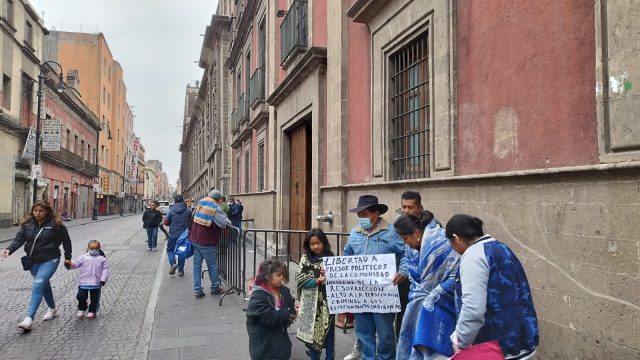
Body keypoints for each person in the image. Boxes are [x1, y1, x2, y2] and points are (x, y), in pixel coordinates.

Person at [446, 214, 539, 358]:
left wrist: (460, 341)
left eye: (451, 244)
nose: (454, 250)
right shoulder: (500, 247)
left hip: (497, 348)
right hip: (521, 341)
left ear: (456, 238)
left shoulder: (474, 256)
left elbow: (473, 309)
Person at [342, 195, 408, 360]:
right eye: (360, 215)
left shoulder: (393, 232)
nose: (362, 219)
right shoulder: (355, 233)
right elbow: (347, 254)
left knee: (385, 334)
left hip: (384, 294)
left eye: (365, 215)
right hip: (361, 294)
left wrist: (403, 271)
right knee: (363, 333)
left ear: (376, 213)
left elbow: (406, 254)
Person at [394, 214, 459, 360]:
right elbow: (414, 279)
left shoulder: (441, 242)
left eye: (406, 239)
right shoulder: (411, 249)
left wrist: (434, 295)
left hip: (445, 304)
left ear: (416, 232)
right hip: (418, 303)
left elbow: (455, 273)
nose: (406, 243)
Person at [0, 200, 72, 331]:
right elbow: (19, 239)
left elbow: (66, 241)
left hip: (51, 259)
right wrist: (9, 250)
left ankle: (29, 318)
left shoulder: (56, 225)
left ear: (47, 212)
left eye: (41, 211)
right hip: (33, 261)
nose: (37, 213)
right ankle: (52, 308)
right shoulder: (27, 224)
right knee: (44, 284)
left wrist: (68, 258)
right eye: (35, 211)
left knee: (38, 284)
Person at [296, 228, 335, 360]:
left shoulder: (330, 257)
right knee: (312, 334)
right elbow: (300, 278)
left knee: (328, 331)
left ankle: (329, 357)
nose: (316, 246)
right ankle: (314, 357)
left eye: (318, 243)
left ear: (324, 242)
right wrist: (315, 281)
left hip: (326, 302)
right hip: (310, 303)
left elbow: (337, 277)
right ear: (308, 244)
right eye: (312, 244)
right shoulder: (305, 258)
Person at [246, 260, 297, 360]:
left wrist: (290, 315)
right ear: (267, 277)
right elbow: (268, 318)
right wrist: (286, 314)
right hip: (264, 346)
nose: (282, 277)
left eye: (283, 274)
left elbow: (291, 308)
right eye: (278, 275)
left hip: (281, 345)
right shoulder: (258, 296)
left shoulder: (284, 291)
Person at [190, 189, 231, 298]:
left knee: (197, 266)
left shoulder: (200, 203)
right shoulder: (214, 207)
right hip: (206, 241)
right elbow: (223, 223)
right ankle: (215, 288)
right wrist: (229, 222)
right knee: (212, 265)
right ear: (217, 200)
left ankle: (198, 291)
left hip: (195, 238)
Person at [69, 240, 109, 319]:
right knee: (80, 296)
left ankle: (92, 311)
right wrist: (70, 264)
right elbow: (76, 264)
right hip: (84, 282)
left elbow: (105, 269)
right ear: (88, 248)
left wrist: (103, 279)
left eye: (96, 248)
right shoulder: (83, 257)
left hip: (96, 283)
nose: (93, 250)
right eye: (91, 248)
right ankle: (82, 308)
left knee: (95, 299)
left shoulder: (102, 259)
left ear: (99, 248)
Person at [164, 194, 192, 276]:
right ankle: (181, 270)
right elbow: (190, 221)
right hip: (184, 234)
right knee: (181, 251)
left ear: (175, 200)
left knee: (170, 250)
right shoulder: (188, 210)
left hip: (173, 234)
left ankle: (173, 263)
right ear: (183, 200)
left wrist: (171, 223)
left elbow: (166, 222)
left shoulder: (171, 210)